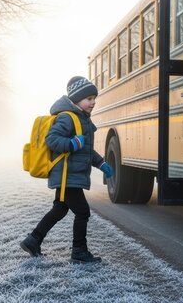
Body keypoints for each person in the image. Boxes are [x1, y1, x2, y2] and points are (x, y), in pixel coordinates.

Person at [20, 76, 114, 263]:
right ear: (76, 99)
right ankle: (79, 251)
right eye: (89, 99)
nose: (93, 102)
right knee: (82, 212)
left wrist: (101, 163)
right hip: (66, 175)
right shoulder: (67, 118)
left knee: (60, 209)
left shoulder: (83, 119)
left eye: (94, 98)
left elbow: (85, 149)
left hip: (69, 175)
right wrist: (71, 143)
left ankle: (33, 240)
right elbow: (52, 139)